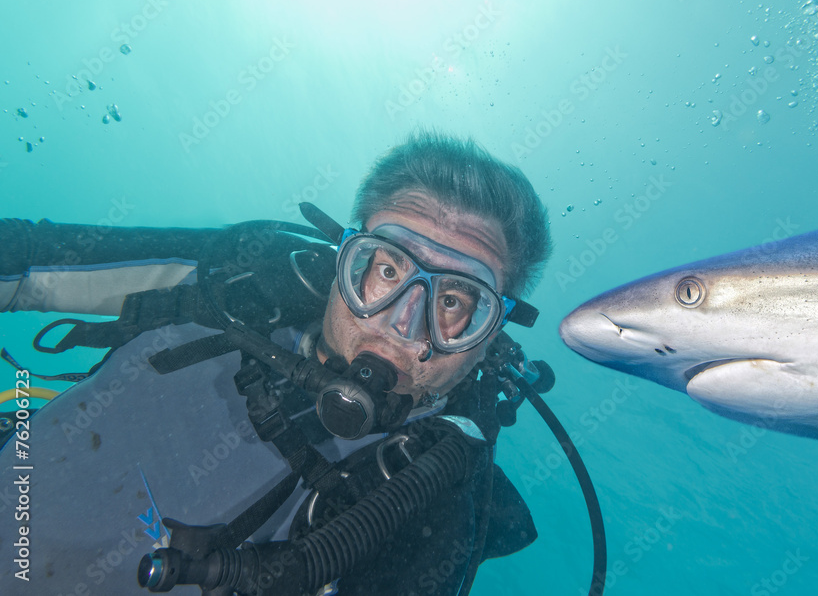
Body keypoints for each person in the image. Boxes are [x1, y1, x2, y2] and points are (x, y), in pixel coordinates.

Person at [0, 132, 553, 595]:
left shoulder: (425, 515)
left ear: (490, 336)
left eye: (453, 302)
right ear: (343, 260)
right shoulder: (236, 283)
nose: (401, 324)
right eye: (386, 271)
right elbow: (26, 263)